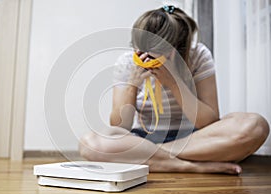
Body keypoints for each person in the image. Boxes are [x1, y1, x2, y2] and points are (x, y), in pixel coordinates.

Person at [79, 6, 269, 174]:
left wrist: (174, 83)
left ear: (177, 50)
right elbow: (120, 127)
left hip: (196, 139)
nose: (143, 57)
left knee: (256, 125)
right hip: (143, 138)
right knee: (90, 144)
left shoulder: (197, 56)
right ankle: (188, 166)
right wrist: (132, 86)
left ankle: (152, 159)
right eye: (138, 50)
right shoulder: (127, 62)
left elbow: (209, 122)